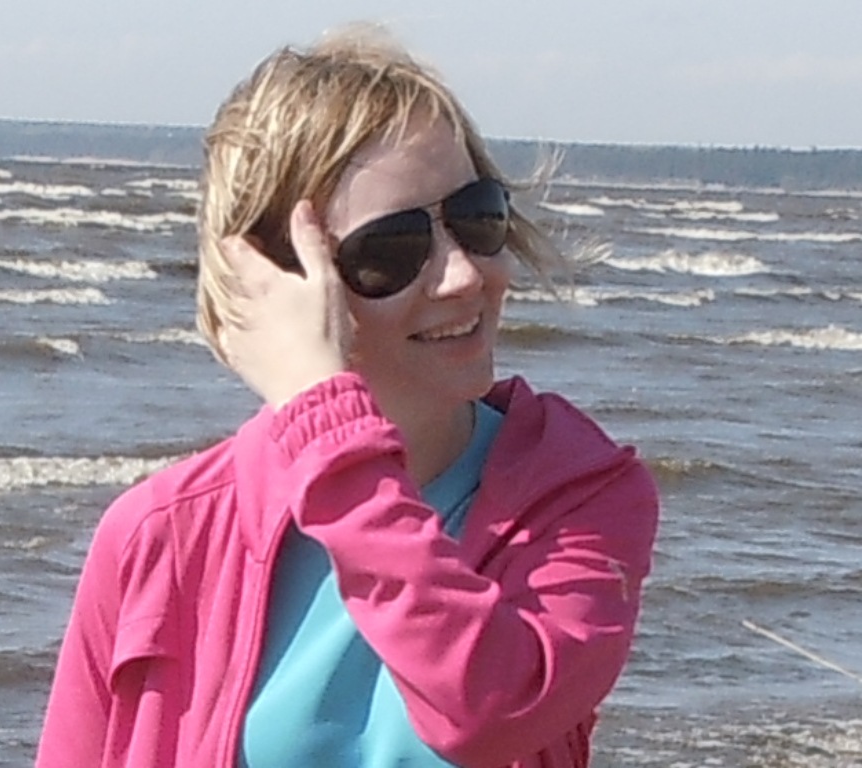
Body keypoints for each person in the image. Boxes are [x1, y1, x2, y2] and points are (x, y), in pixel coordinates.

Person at [35, 25, 659, 768]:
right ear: (282, 284)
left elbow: (490, 712)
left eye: (476, 218)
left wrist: (331, 436)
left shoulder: (578, 497)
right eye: (391, 251)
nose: (465, 275)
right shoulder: (161, 534)